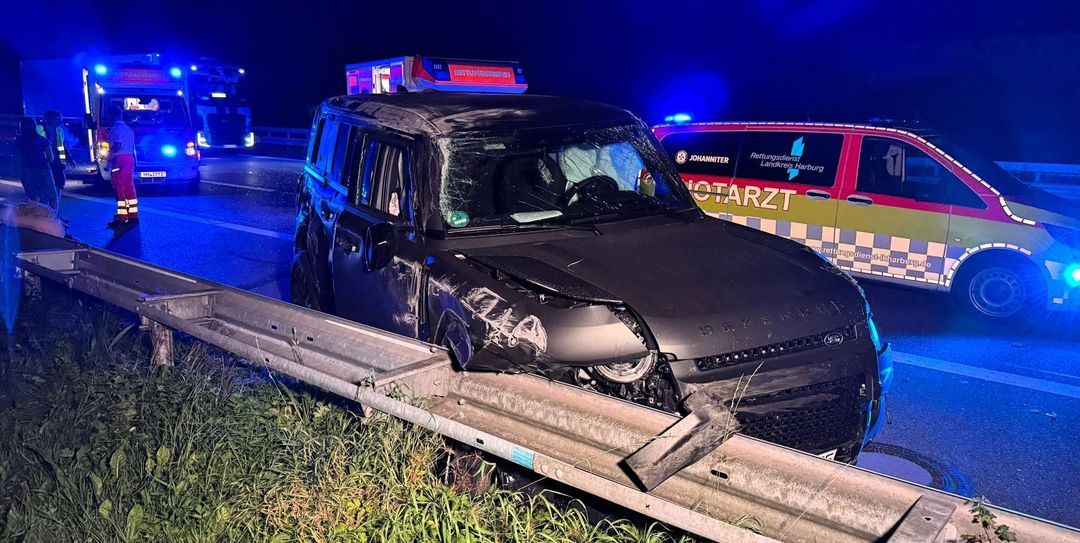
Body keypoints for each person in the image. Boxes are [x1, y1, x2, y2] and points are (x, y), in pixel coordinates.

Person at [15, 117, 59, 213]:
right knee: (51, 196)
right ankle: (53, 216)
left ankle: (36, 216)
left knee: (33, 197)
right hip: (43, 170)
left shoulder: (18, 141)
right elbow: (50, 158)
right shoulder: (43, 140)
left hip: (26, 171)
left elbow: (17, 158)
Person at [105, 105, 138, 227]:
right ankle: (133, 216)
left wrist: (108, 157)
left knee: (119, 189)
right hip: (129, 159)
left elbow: (117, 146)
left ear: (112, 115)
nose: (108, 118)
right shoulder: (128, 129)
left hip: (119, 160)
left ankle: (122, 217)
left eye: (109, 116)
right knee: (129, 187)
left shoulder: (116, 129)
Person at [42, 111, 67, 205]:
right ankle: (46, 209)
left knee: (59, 185)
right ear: (50, 119)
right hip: (45, 163)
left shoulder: (59, 130)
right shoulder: (40, 129)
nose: (61, 120)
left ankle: (55, 210)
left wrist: (69, 160)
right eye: (58, 119)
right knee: (45, 187)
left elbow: (63, 146)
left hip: (57, 163)